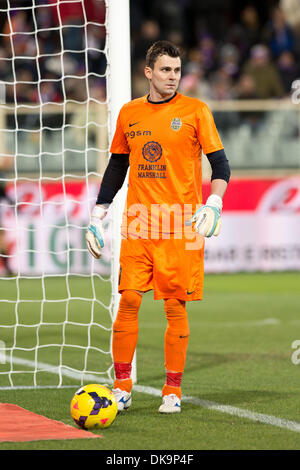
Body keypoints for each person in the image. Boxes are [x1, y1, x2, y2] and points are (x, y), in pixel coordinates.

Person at [86, 41, 230, 414]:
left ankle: (172, 390)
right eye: (165, 70)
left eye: (177, 70)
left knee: (174, 306)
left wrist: (214, 203)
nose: (173, 77)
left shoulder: (196, 111)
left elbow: (221, 166)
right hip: (138, 224)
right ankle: (122, 387)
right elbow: (117, 167)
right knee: (128, 301)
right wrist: (97, 216)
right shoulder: (129, 112)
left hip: (180, 227)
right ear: (148, 72)